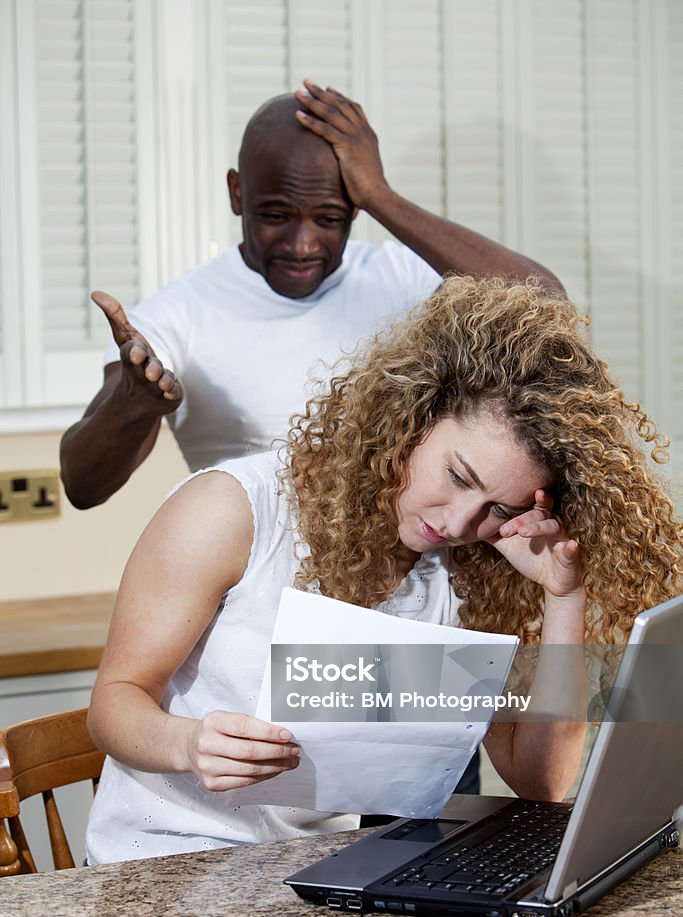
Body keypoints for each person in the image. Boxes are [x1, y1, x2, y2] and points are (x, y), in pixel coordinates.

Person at [84, 276, 682, 865]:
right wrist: (188, 744)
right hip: (164, 862)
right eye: (457, 477)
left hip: (310, 875)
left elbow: (541, 782)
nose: (457, 523)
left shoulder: (470, 571)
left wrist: (563, 594)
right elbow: (114, 702)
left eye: (498, 508)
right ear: (410, 418)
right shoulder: (235, 510)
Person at [59, 80, 563, 510]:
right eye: (276, 216)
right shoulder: (176, 317)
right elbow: (82, 486)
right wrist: (132, 403)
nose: (302, 246)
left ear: (354, 207)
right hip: (256, 591)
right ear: (238, 194)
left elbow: (546, 309)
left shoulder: (402, 276)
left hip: (410, 585)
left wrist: (380, 195)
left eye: (328, 219)